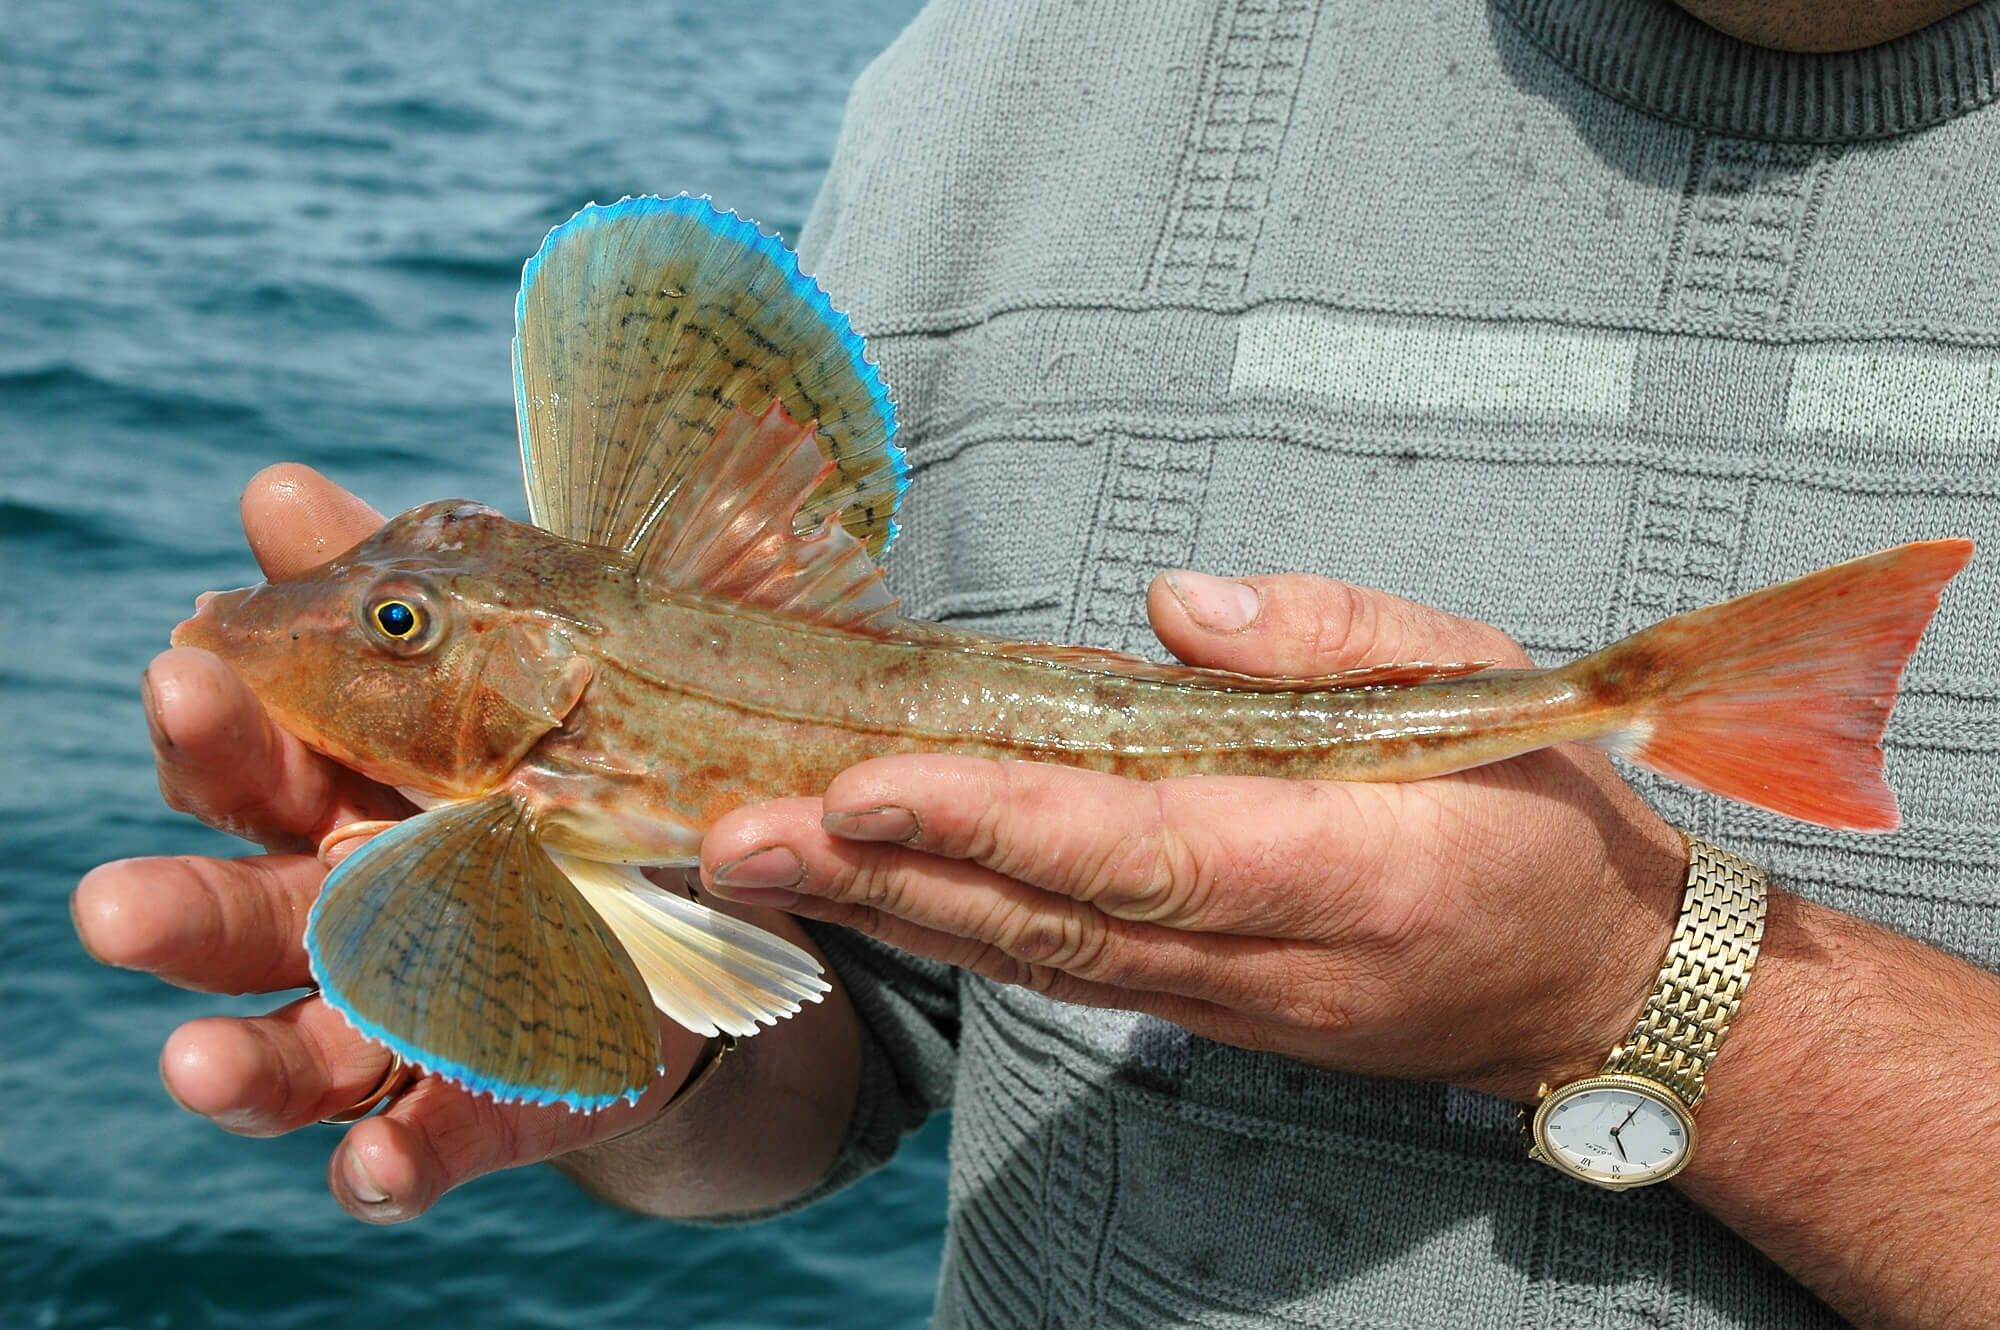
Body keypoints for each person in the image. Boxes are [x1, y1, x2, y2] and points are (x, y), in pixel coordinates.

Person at [75, 0, 2000, 1325]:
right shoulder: (997, 80)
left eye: (403, 631)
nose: (344, 642)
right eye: (398, 617)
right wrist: (648, 1062)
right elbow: (872, 1015)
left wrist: (1647, 983)